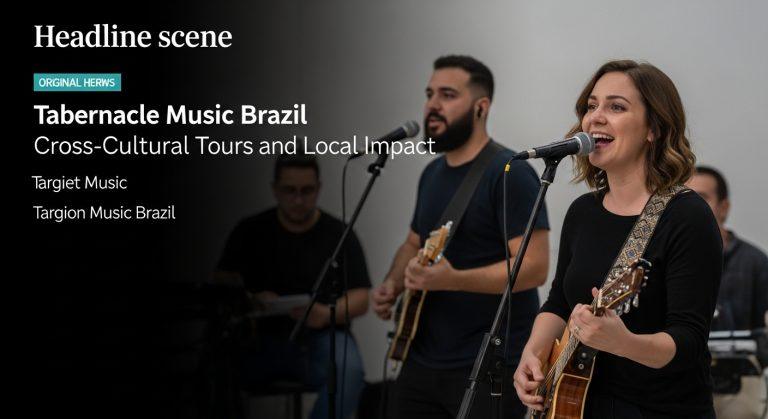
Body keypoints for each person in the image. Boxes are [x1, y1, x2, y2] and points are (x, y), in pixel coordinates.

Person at [513, 60, 722, 418]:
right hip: (576, 404)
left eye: (616, 106)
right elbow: (559, 302)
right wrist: (532, 353)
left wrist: (623, 343)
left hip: (659, 409)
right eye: (591, 106)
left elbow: (688, 341)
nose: (595, 117)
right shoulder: (583, 211)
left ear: (654, 128)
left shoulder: (687, 217)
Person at [371, 55, 550, 419]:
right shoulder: (432, 174)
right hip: (421, 358)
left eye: (448, 95)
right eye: (430, 93)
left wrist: (453, 280)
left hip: (486, 364)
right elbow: (413, 243)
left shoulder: (510, 173)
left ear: (480, 107)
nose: (433, 105)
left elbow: (533, 268)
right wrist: (393, 284)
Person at [215, 153, 370, 419]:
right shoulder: (250, 231)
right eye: (289, 191)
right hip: (259, 338)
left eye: (307, 191)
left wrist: (323, 314)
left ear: (318, 188)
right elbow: (221, 280)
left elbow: (361, 297)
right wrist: (249, 299)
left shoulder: (339, 233)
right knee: (214, 365)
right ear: (275, 189)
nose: (298, 200)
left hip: (320, 339)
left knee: (349, 371)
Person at [687, 166, 768, 331]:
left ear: (723, 208)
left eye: (701, 198)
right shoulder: (664, 259)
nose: (689, 207)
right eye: (683, 198)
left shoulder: (756, 263)